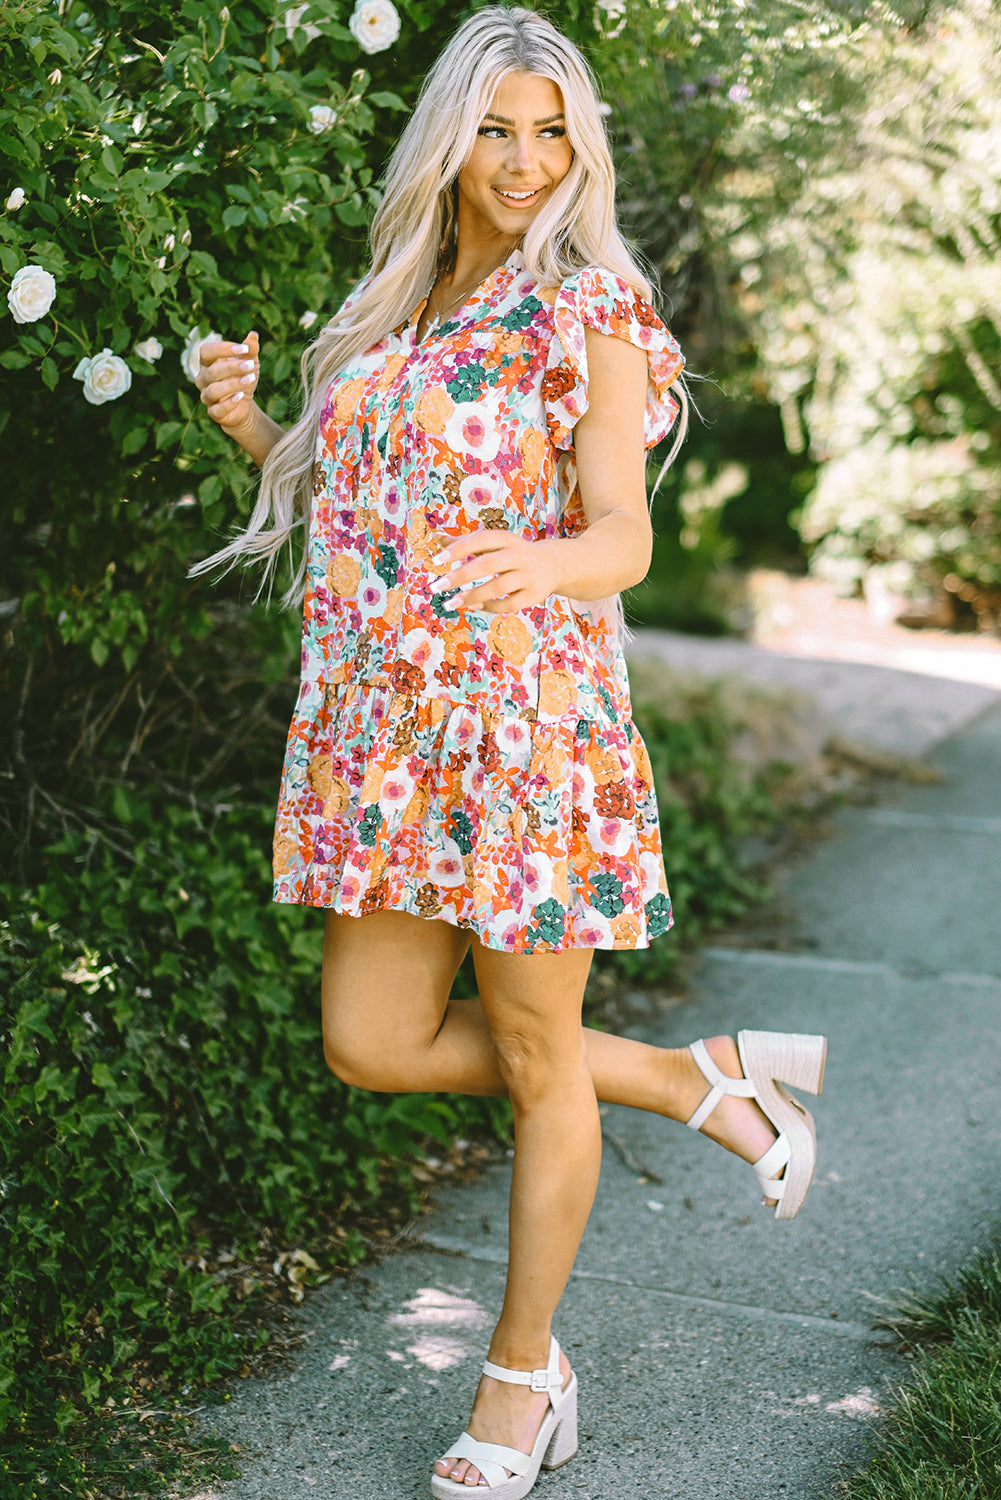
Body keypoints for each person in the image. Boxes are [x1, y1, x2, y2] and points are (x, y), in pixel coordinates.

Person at [193, 8, 827, 1496]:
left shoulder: (590, 307)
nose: (526, 161)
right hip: (381, 740)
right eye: (496, 128)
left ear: (579, 147)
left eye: (552, 132)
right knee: (371, 1042)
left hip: (524, 736)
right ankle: (691, 1080)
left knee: (539, 1060)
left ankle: (521, 1379)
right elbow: (355, 498)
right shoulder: (399, 301)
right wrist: (253, 428)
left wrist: (540, 570)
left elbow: (621, 528)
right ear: (448, 138)